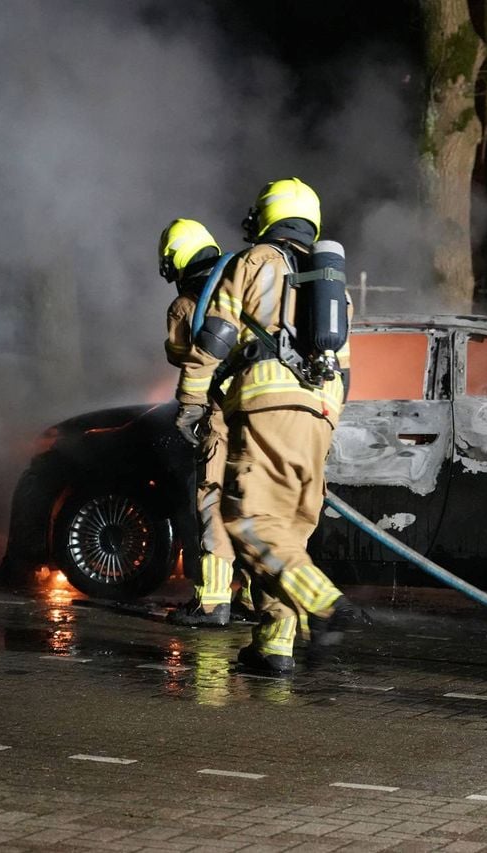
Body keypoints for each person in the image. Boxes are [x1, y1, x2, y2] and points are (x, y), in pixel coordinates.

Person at [179, 178, 354, 675]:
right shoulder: (333, 288)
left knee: (248, 521)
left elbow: (215, 337)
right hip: (320, 418)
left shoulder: (254, 262)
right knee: (287, 534)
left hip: (266, 408)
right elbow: (345, 372)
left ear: (267, 216)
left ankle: (325, 607)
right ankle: (274, 646)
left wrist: (191, 402)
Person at [156, 218, 254, 627]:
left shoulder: (186, 303)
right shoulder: (244, 283)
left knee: (213, 500)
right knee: (254, 503)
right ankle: (255, 598)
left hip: (220, 414)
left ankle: (212, 602)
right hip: (262, 411)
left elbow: (184, 356)